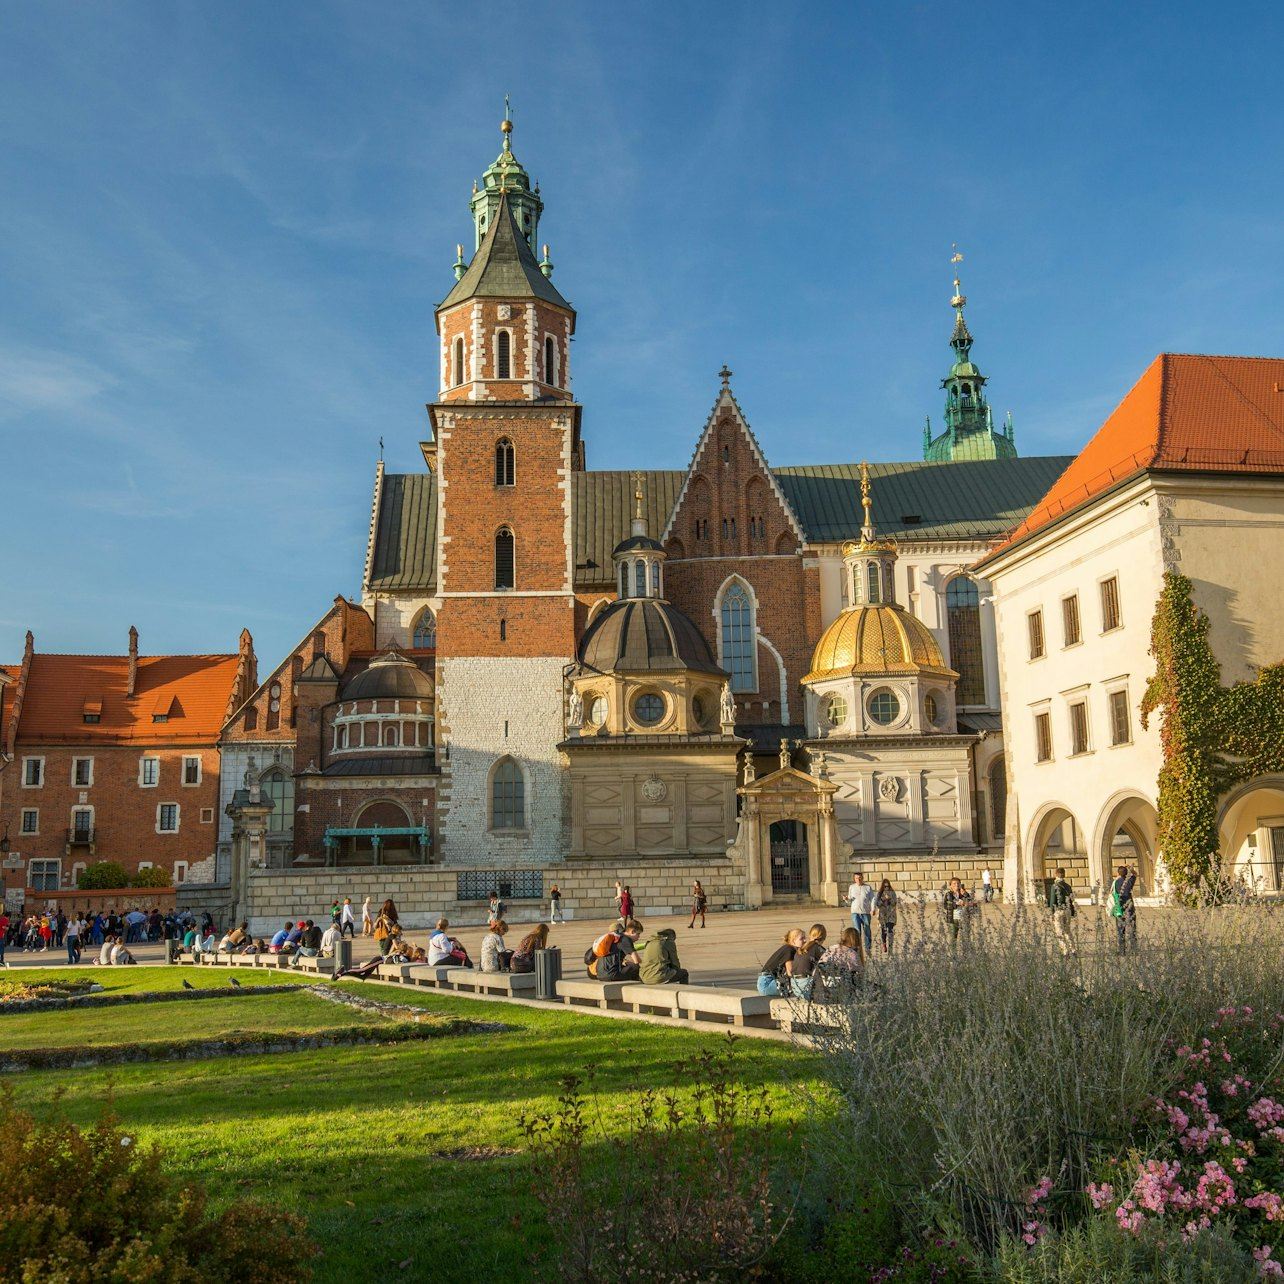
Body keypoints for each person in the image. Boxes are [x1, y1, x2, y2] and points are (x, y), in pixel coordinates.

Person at [757, 929, 806, 997]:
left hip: (766, 982)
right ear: (793, 941)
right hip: (767, 984)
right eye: (802, 938)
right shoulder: (790, 950)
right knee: (801, 987)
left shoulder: (788, 948)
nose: (805, 941)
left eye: (805, 938)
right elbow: (790, 972)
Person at [819, 927, 865, 998]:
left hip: (825, 988)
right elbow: (861, 974)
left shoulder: (830, 948)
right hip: (843, 989)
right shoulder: (851, 953)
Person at [1048, 866, 1077, 956]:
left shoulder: (1054, 886)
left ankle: (1065, 951)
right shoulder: (1068, 886)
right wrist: (1072, 911)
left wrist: (1051, 913)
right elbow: (1071, 899)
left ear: (1056, 874)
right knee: (1067, 930)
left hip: (1058, 911)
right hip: (1067, 910)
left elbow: (1053, 900)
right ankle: (1073, 949)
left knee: (1059, 931)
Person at [1110, 864, 1138, 954]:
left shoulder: (1115, 882)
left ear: (1118, 873)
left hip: (1119, 908)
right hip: (1129, 907)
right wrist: (1130, 868)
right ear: (1126, 874)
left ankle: (1122, 950)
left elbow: (1112, 892)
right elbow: (1135, 874)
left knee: (1120, 930)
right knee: (1132, 929)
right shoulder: (1129, 881)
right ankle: (1134, 950)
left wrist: (1120, 873)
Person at [847, 872, 876, 954]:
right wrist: (846, 899)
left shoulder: (868, 887)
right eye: (856, 878)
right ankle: (857, 949)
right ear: (854, 879)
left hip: (865, 912)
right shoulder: (851, 887)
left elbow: (873, 899)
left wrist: (873, 909)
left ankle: (868, 948)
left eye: (860, 878)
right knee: (857, 932)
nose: (858, 879)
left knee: (867, 930)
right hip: (855, 912)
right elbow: (850, 899)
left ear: (862, 878)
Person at [943, 878, 974, 945]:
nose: (956, 885)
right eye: (954, 883)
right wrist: (955, 904)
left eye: (958, 883)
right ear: (950, 885)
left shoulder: (964, 893)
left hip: (964, 918)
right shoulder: (948, 894)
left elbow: (971, 902)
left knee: (966, 938)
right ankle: (953, 954)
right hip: (953, 919)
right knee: (953, 939)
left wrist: (965, 894)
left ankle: (966, 954)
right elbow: (945, 906)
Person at [874, 879, 898, 954]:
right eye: (885, 886)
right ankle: (884, 943)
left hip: (890, 914)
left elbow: (895, 902)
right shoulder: (880, 893)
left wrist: (890, 900)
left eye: (887, 886)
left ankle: (890, 946)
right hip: (882, 914)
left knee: (890, 930)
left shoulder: (892, 892)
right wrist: (883, 900)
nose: (886, 888)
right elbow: (877, 903)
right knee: (883, 931)